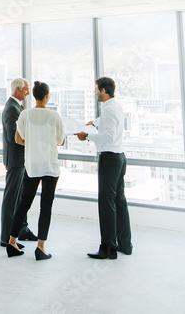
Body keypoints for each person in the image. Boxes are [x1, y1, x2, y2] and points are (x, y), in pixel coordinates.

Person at [5, 81, 66, 261]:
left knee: (23, 204)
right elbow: (60, 141)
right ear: (47, 96)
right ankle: (40, 247)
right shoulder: (54, 116)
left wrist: (31, 143)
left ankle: (12, 242)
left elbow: (18, 139)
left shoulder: (25, 114)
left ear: (34, 95)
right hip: (49, 166)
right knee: (46, 207)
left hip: (32, 166)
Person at [77, 77, 132, 259]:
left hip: (109, 159)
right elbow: (106, 122)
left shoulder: (108, 110)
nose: (95, 93)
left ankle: (108, 248)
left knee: (106, 204)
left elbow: (108, 136)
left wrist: (87, 137)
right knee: (119, 202)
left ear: (104, 91)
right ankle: (125, 244)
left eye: (97, 90)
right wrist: (94, 122)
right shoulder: (114, 106)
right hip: (119, 157)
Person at [0, 78, 38, 248]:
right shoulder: (11, 108)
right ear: (17, 89)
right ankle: (7, 238)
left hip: (21, 160)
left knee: (21, 198)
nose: (28, 92)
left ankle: (21, 230)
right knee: (11, 199)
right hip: (15, 160)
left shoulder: (18, 106)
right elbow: (12, 136)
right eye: (26, 89)